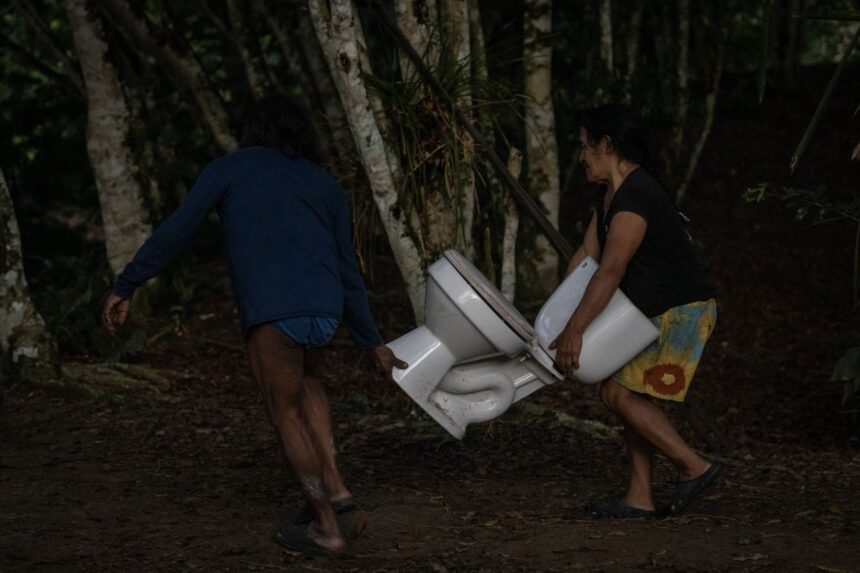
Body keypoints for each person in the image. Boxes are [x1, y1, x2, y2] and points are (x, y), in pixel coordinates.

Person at [101, 95, 407, 555]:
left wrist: (127, 283)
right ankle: (338, 489)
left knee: (283, 410)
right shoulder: (324, 184)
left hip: (274, 311)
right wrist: (371, 342)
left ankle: (325, 527)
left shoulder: (230, 169)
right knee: (308, 382)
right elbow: (349, 270)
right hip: (325, 310)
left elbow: (178, 230)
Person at [550, 104, 720, 519]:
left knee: (617, 393)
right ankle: (639, 497)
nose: (581, 156)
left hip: (681, 312)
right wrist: (552, 320)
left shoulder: (636, 195)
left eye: (586, 147)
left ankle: (694, 466)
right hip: (651, 310)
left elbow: (611, 269)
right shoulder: (609, 196)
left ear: (607, 146)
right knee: (624, 392)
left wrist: (575, 330)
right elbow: (585, 260)